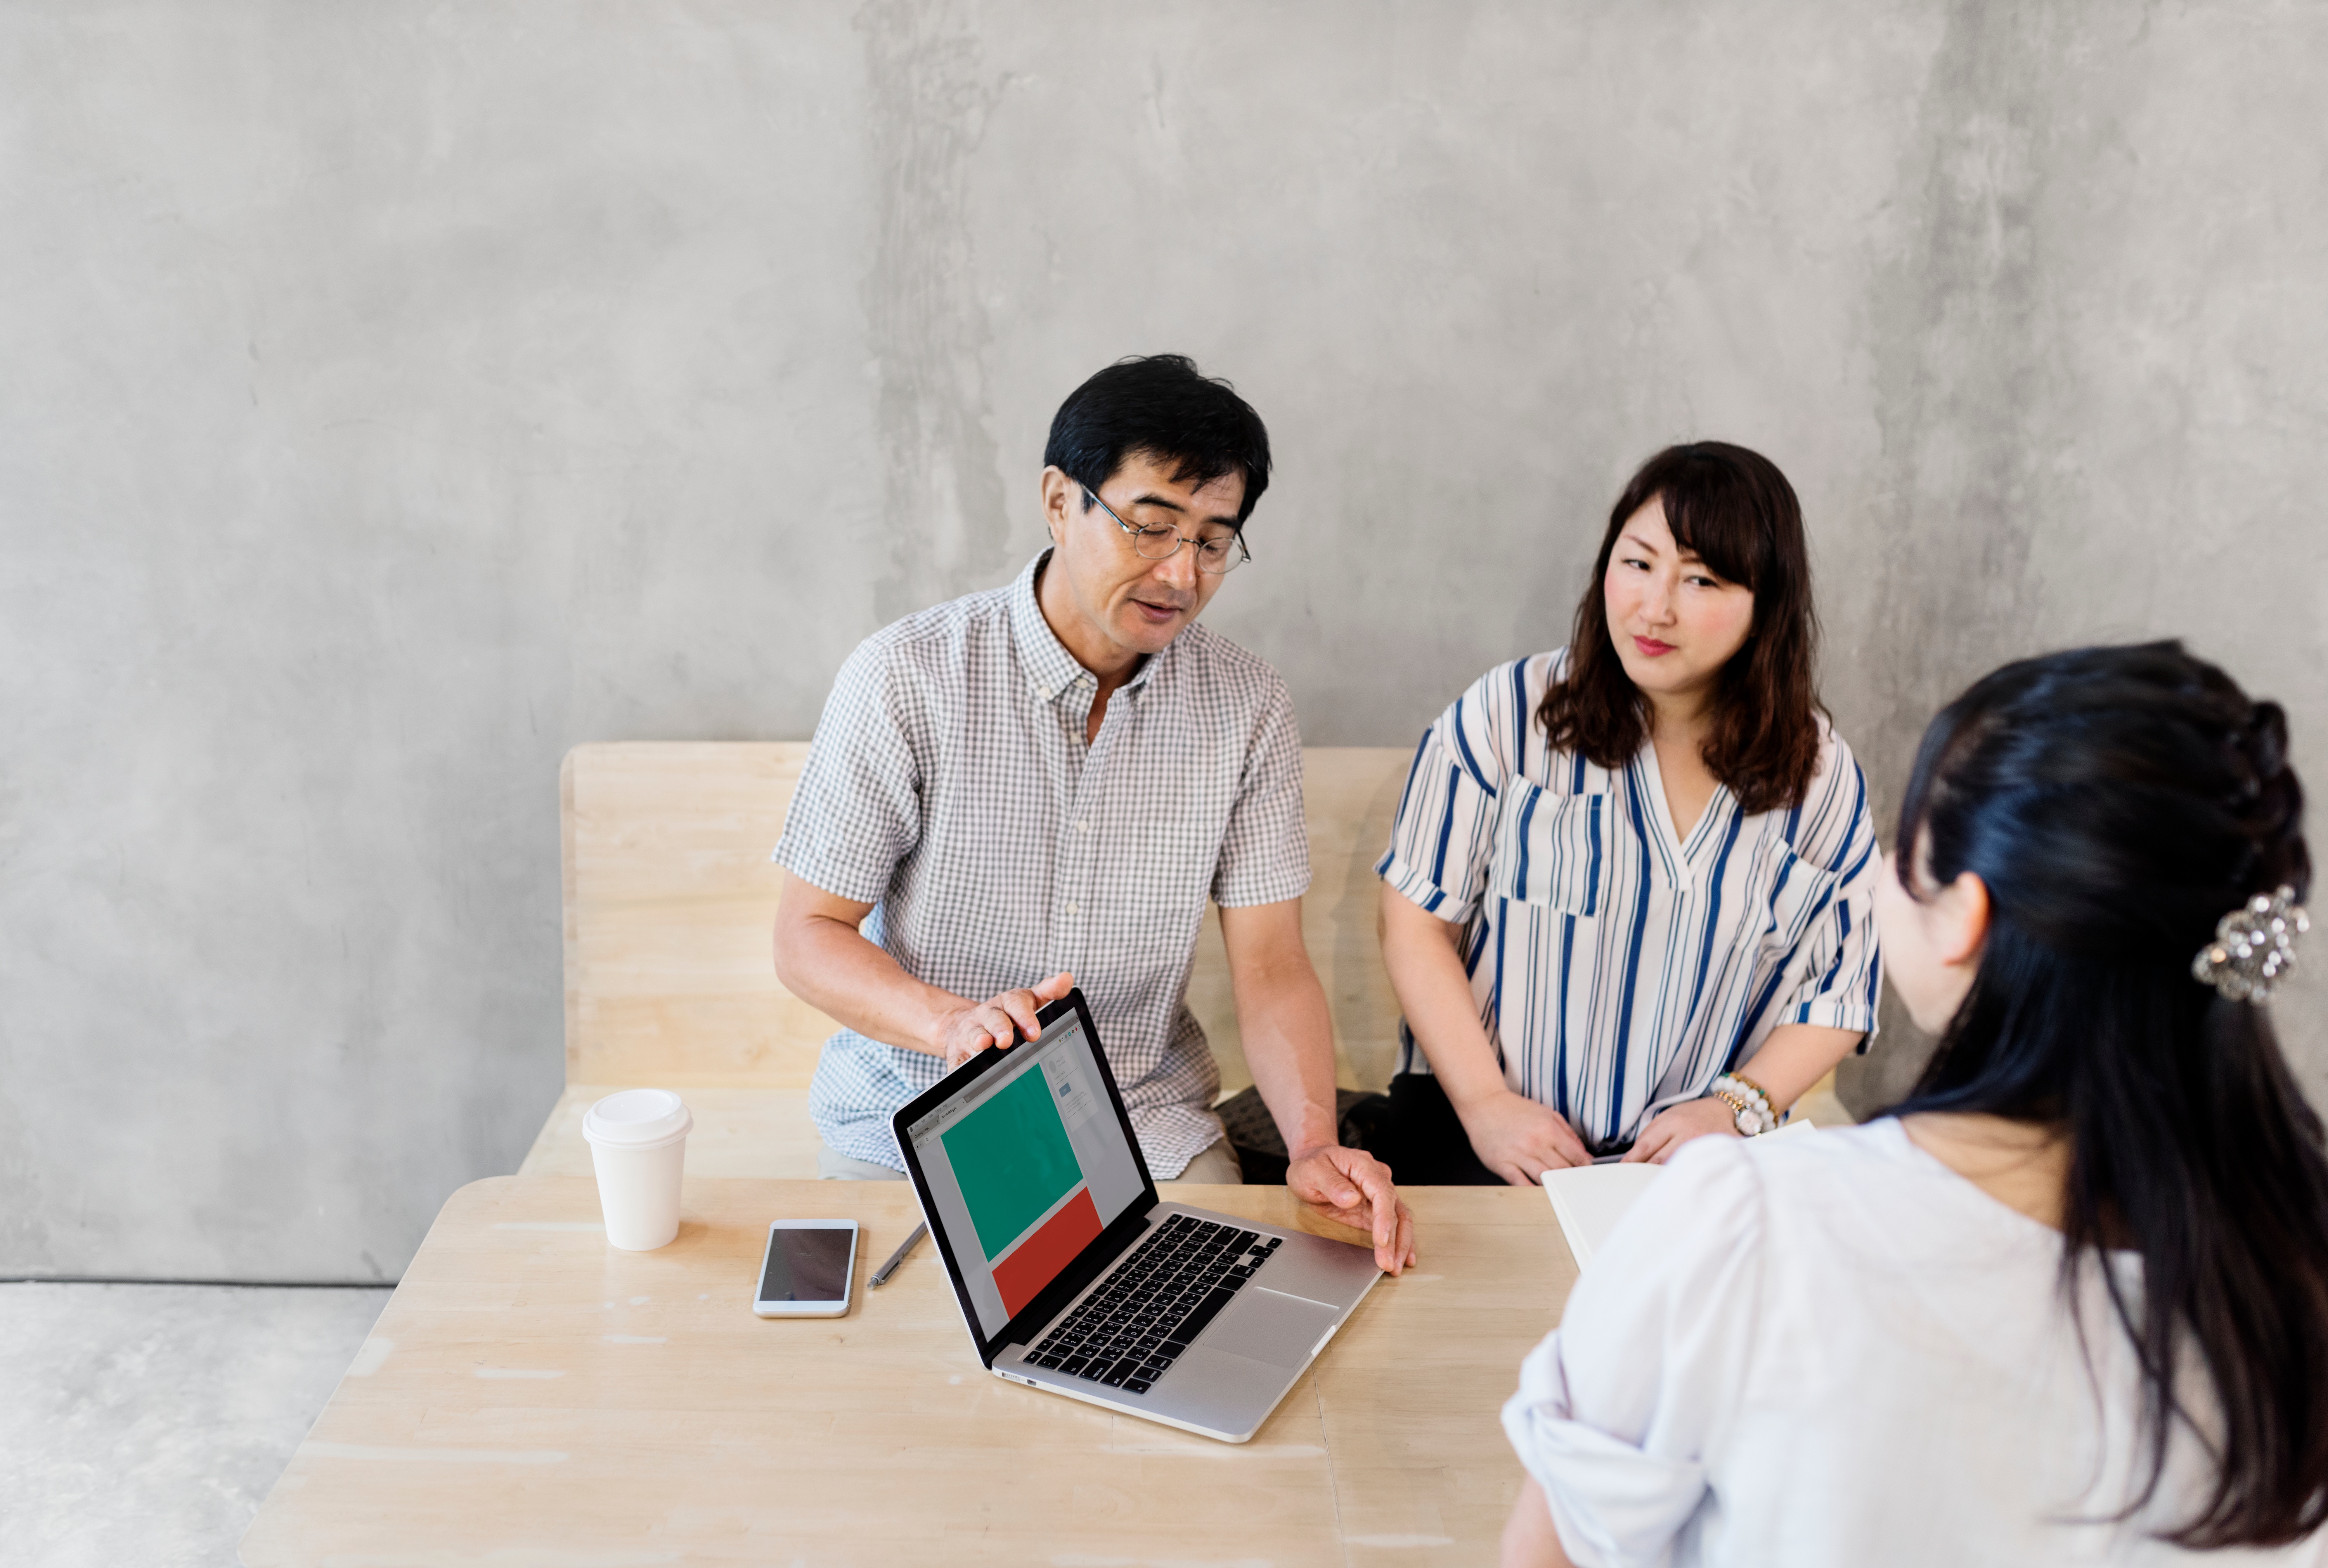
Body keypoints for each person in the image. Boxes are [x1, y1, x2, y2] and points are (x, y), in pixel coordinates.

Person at [1500, 642, 2328, 1565]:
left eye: (1906, 841)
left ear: (1966, 916)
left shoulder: (1752, 1223)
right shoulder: (2295, 1277)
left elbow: (1553, 1548)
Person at [771, 353, 1414, 1273]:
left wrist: (1312, 1140)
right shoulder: (907, 675)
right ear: (1058, 501)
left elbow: (1272, 964)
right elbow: (806, 935)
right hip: (911, 1108)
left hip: (1139, 1116)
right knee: (902, 1380)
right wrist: (947, 1023)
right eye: (1150, 527)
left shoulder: (1248, 705)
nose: (1180, 573)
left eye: (1213, 541)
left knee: (1195, 1341)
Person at [1374, 443, 1879, 1182]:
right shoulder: (1506, 716)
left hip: (1687, 1152)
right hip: (1474, 1125)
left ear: (1765, 606)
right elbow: (1415, 922)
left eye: (1701, 579)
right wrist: (1487, 1105)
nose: (1654, 608)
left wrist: (1735, 1109)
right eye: (1637, 563)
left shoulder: (1820, 772)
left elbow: (1841, 987)